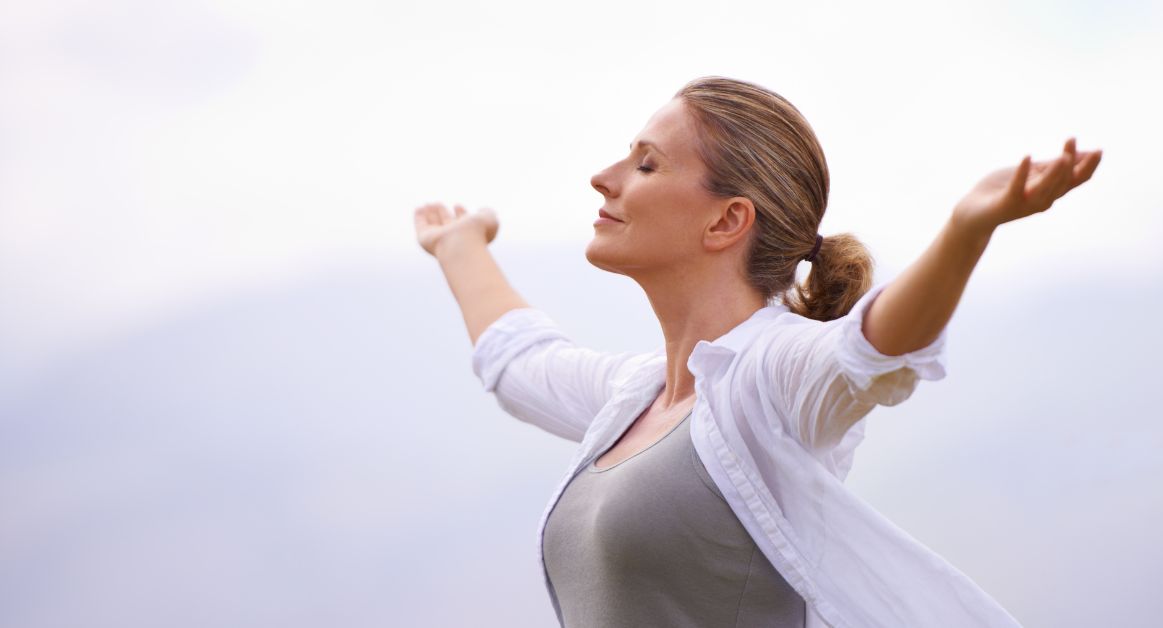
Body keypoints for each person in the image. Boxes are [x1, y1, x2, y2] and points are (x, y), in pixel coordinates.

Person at [414, 76, 1101, 628]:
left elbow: (871, 349)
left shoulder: (769, 377)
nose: (604, 176)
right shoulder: (633, 397)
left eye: (646, 163)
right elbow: (517, 362)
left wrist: (963, 232)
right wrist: (460, 244)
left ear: (726, 220)